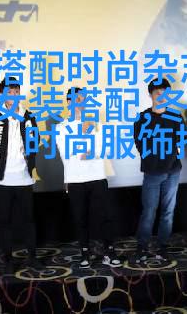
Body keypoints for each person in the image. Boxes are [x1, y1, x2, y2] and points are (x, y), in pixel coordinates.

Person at [0, 76, 42, 273]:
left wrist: (29, 152)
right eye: (9, 92)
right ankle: (8, 259)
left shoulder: (28, 116)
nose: (13, 96)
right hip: (2, 179)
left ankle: (32, 257)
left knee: (29, 220)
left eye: (16, 92)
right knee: (4, 221)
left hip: (24, 177)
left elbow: (36, 141)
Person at [55, 87, 122, 268]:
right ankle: (85, 252)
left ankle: (109, 251)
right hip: (75, 179)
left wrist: (91, 152)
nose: (81, 103)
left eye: (83, 100)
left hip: (97, 176)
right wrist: (84, 139)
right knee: (80, 218)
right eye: (77, 100)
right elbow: (66, 153)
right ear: (69, 102)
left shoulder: (95, 123)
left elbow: (104, 148)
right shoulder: (61, 127)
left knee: (105, 216)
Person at [133, 78, 185, 262]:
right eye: (158, 93)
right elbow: (140, 144)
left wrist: (174, 150)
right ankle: (142, 247)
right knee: (149, 211)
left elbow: (181, 140)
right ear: (150, 95)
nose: (162, 97)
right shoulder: (142, 118)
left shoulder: (176, 117)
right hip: (152, 172)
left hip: (173, 171)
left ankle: (163, 246)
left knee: (168, 211)